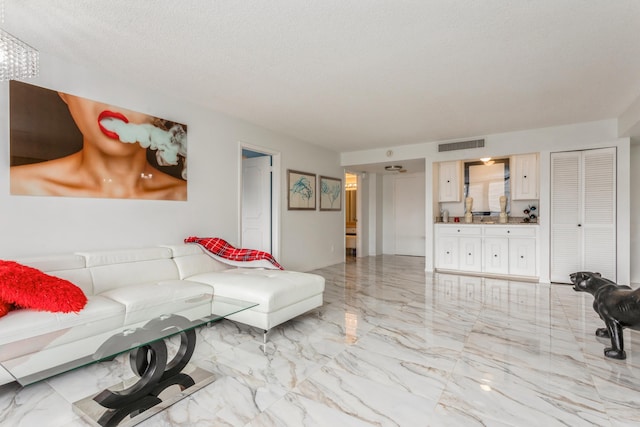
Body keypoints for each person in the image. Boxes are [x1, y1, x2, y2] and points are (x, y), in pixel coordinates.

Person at [10, 91, 187, 200]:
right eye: (91, 85)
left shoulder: (183, 194)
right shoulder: (13, 184)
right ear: (63, 93)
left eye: (135, 88)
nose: (115, 99)